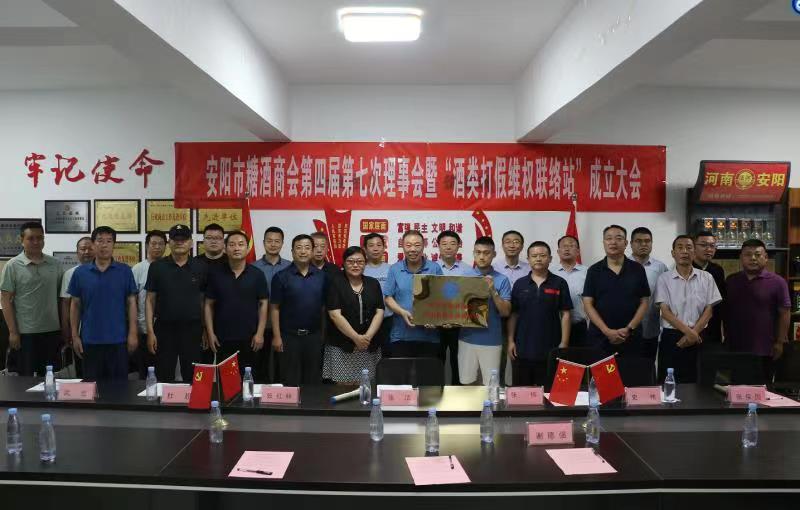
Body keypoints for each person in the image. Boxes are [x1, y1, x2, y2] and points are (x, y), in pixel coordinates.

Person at [67, 226, 138, 381]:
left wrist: (133, 333)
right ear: (93, 244)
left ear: (114, 245)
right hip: (90, 340)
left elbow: (131, 303)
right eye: (99, 241)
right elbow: (75, 305)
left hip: (118, 340)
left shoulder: (125, 271)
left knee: (119, 388)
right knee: (91, 388)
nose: (104, 245)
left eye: (108, 241)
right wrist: (75, 336)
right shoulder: (80, 273)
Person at [0, 221, 65, 376]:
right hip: (25, 333)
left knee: (50, 378)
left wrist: (64, 329)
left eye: (40, 238)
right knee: (24, 379)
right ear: (22, 240)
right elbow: (5, 300)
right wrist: (13, 332)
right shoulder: (12, 266)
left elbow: (61, 300)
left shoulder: (55, 264)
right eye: (31, 238)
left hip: (52, 332)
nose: (36, 242)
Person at [654, 235, 721, 383]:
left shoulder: (707, 277)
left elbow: (709, 310)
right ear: (673, 253)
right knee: (670, 382)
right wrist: (689, 333)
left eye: (689, 247)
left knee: (699, 382)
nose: (684, 251)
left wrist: (694, 332)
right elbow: (665, 312)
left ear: (694, 252)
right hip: (673, 337)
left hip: (699, 335)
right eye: (680, 247)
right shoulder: (664, 278)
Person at [145, 225, 207, 383]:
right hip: (164, 329)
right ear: (169, 242)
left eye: (183, 239)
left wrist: (205, 329)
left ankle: (193, 400)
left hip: (192, 329)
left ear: (191, 242)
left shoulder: (200, 266)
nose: (180, 242)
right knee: (163, 375)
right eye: (175, 239)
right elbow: (150, 300)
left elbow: (204, 302)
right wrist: (150, 332)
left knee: (193, 376)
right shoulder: (157, 267)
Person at [724, 239, 790, 384]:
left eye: (757, 254)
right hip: (735, 348)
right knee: (736, 391)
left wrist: (780, 342)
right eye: (748, 254)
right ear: (741, 258)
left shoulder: (778, 282)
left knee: (762, 391)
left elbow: (784, 313)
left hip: (765, 349)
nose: (753, 258)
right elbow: (725, 312)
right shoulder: (731, 280)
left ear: (766, 257)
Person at [507, 241, 572, 386]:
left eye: (542, 255)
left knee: (548, 392)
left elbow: (566, 314)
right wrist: (511, 341)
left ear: (550, 258)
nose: (538, 259)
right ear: (528, 259)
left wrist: (564, 343)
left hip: (551, 348)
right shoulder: (520, 284)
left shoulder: (559, 283)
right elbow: (514, 315)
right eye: (534, 256)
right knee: (522, 392)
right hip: (522, 348)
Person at [204, 231, 268, 373]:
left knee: (249, 380)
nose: (236, 248)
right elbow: (208, 305)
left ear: (247, 248)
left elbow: (263, 304)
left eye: (240, 244)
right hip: (222, 338)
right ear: (225, 248)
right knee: (226, 380)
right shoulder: (215, 274)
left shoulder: (257, 274)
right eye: (232, 245)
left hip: (250, 338)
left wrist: (260, 333)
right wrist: (210, 333)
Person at [582, 225, 650, 357]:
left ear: (626, 243)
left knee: (631, 370)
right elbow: (587, 304)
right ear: (603, 242)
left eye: (618, 238)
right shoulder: (594, 270)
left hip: (631, 336)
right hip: (600, 337)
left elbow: (644, 302)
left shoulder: (637, 269)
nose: (613, 242)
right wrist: (606, 331)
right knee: (600, 370)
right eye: (609, 238)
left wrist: (629, 329)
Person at [271, 234, 327, 385]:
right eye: (299, 248)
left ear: (312, 251)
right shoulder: (280, 277)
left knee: (312, 381)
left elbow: (323, 308)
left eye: (307, 247)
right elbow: (274, 308)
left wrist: (322, 335)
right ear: (292, 251)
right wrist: (277, 337)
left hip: (314, 337)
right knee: (290, 380)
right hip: (289, 337)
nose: (303, 251)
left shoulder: (322, 276)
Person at [323, 246, 384, 383]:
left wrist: (367, 338)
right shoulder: (335, 283)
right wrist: (356, 338)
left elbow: (379, 311)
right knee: (343, 386)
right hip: (342, 345)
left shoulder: (373, 283)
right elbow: (335, 315)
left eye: (360, 261)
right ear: (344, 263)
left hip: (369, 344)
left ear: (365, 263)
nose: (355, 265)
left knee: (367, 384)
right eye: (350, 261)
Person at [458, 237, 512, 385]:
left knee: (491, 385)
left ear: (494, 254)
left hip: (492, 340)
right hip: (466, 339)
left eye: (486, 253)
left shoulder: (502, 279)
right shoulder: (463, 277)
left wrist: (493, 290)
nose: (482, 256)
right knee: (466, 383)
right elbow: (455, 309)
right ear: (473, 253)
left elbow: (505, 312)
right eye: (478, 252)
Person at [384, 230, 444, 357]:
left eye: (417, 245)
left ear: (423, 246)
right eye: (408, 245)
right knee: (401, 370)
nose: (413, 249)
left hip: (429, 337)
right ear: (402, 246)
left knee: (428, 370)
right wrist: (402, 312)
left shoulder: (434, 268)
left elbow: (442, 298)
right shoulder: (395, 269)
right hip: (401, 336)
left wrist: (435, 318)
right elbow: (388, 297)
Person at [252, 226, 291, 382]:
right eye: (269, 241)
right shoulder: (253, 268)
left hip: (284, 325)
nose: (273, 244)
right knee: (259, 366)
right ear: (263, 243)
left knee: (282, 366)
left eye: (277, 241)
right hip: (258, 325)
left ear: (282, 243)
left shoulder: (290, 267)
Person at [492, 230, 530, 385]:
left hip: (522, 319)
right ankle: (500, 389)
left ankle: (518, 390)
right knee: (499, 358)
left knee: (519, 357)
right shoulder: (494, 267)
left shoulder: (530, 268)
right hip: (499, 319)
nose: (512, 245)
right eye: (508, 242)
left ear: (522, 246)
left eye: (516, 242)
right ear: (502, 245)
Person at [629, 227, 669, 363]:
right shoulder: (623, 266)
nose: (643, 244)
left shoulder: (661, 268)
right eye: (638, 241)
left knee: (648, 366)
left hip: (650, 328)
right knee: (626, 367)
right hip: (625, 329)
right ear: (631, 244)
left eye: (647, 241)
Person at [436, 230, 471, 385]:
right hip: (435, 322)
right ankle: (436, 394)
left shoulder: (468, 270)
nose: (448, 247)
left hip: (460, 323)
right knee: (436, 361)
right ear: (438, 246)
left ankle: (458, 394)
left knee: (458, 362)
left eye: (452, 243)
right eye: (444, 244)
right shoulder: (431, 268)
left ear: (458, 246)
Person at [131, 230, 166, 379]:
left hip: (166, 329)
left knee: (164, 371)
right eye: (153, 243)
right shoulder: (138, 269)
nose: (157, 247)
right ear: (146, 246)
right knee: (145, 373)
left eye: (161, 244)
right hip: (144, 329)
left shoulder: (169, 267)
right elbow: (132, 300)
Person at [59, 236, 94, 376]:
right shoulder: (70, 274)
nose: (87, 252)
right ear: (77, 252)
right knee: (82, 372)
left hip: (103, 333)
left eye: (90, 248)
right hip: (79, 333)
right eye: (83, 249)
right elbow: (65, 304)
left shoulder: (107, 272)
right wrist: (66, 332)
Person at [552, 235, 589, 347]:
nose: (567, 249)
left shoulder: (587, 272)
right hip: (554, 327)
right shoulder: (550, 272)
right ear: (558, 251)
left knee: (580, 357)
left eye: (571, 246)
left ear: (578, 251)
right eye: (564, 246)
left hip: (580, 327)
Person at [692, 230, 726, 347]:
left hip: (713, 326)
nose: (709, 249)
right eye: (703, 245)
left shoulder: (718, 270)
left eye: (712, 246)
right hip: (690, 326)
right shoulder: (686, 268)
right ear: (694, 247)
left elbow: (720, 301)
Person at [362, 233, 393, 357]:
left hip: (388, 321)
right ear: (365, 249)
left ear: (384, 248)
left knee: (388, 356)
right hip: (367, 321)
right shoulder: (360, 269)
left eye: (379, 245)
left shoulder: (392, 269)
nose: (375, 249)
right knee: (368, 356)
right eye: (371, 245)